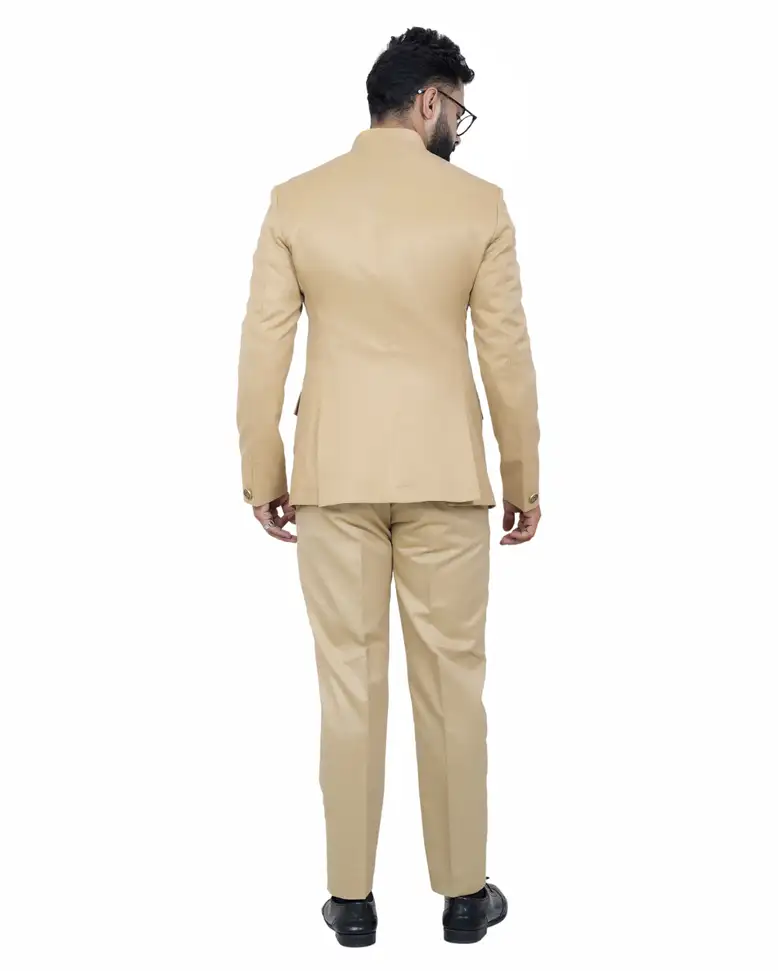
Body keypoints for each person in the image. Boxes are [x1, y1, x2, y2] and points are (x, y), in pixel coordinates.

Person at [236, 26, 541, 947]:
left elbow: (262, 351)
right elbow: (506, 353)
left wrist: (263, 473)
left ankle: (351, 899)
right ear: (426, 101)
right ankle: (462, 896)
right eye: (457, 111)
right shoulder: (479, 207)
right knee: (452, 685)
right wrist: (522, 475)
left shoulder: (297, 203)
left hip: (334, 479)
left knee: (349, 686)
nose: (457, 128)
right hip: (446, 476)